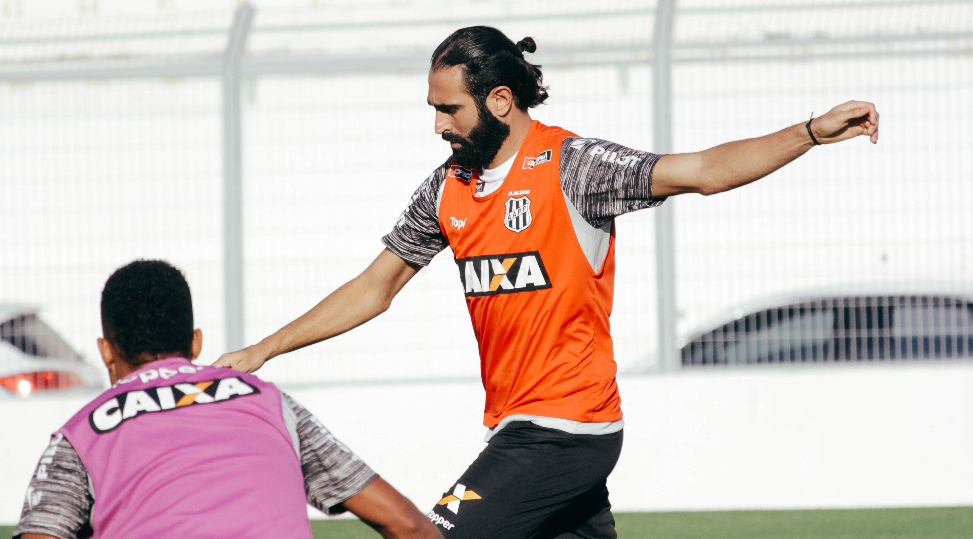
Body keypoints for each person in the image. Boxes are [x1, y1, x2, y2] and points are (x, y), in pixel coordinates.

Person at [214, 26, 880, 539]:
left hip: (568, 427)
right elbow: (374, 287)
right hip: (518, 429)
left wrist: (810, 133)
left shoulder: (573, 167)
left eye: (449, 108)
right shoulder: (446, 189)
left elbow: (701, 170)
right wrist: (262, 349)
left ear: (499, 100)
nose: (437, 125)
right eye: (433, 108)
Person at [15, 260, 442, 539]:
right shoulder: (269, 403)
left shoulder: (82, 433)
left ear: (106, 351)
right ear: (196, 343)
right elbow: (407, 525)